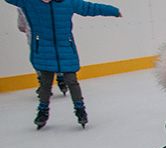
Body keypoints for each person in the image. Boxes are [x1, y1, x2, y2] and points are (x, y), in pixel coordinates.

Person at [5, 0, 122, 129]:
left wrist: (113, 11)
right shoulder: (31, 3)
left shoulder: (68, 2)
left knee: (72, 81)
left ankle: (80, 110)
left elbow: (90, 8)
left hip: (65, 48)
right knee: (45, 84)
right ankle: (43, 112)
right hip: (44, 50)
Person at [16, 7, 68, 95]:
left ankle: (44, 83)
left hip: (34, 39)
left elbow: (21, 26)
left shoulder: (22, 5)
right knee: (55, 56)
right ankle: (61, 78)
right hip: (49, 36)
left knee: (39, 60)